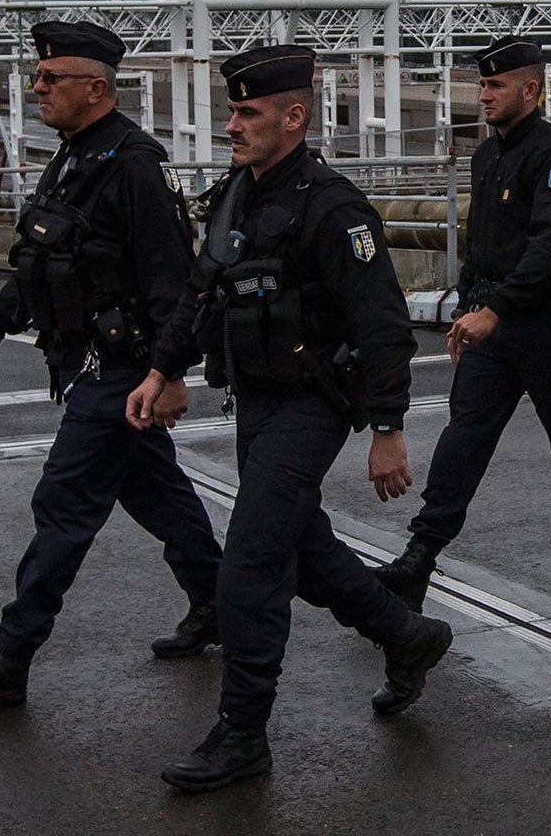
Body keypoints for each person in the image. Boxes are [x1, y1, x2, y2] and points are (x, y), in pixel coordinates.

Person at [130, 44, 452, 793]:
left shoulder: (332, 208)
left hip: (313, 404)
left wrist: (387, 428)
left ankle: (244, 733)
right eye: (233, 112)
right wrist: (160, 368)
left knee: (249, 563)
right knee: (302, 550)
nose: (233, 126)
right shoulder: (237, 195)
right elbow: (198, 294)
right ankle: (407, 636)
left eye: (248, 113)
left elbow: (383, 324)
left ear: (294, 117)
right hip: (258, 398)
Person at [0, 20, 224, 706]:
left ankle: (13, 652)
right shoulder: (72, 157)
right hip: (92, 365)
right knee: (157, 493)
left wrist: (173, 374)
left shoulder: (133, 165)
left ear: (96, 88)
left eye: (49, 79)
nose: (37, 89)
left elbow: (171, 278)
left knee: (63, 503)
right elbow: (44, 255)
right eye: (38, 77)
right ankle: (217, 603)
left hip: (121, 370)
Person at [372, 36, 551, 610]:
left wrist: (496, 309)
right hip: (491, 319)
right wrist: (469, 306)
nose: (483, 95)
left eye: (493, 85)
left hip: (543, 322)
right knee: (464, 435)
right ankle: (422, 555)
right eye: (482, 84)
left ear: (529, 90)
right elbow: (483, 243)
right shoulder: (488, 156)